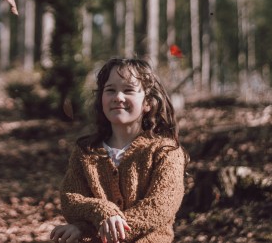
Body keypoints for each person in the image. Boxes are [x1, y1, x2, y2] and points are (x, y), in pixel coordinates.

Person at [49, 58, 186, 243]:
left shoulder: (166, 152)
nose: (118, 97)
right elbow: (71, 199)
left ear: (148, 103)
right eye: (110, 90)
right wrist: (95, 218)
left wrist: (107, 229)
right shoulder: (86, 151)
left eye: (128, 90)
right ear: (101, 98)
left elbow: (161, 206)